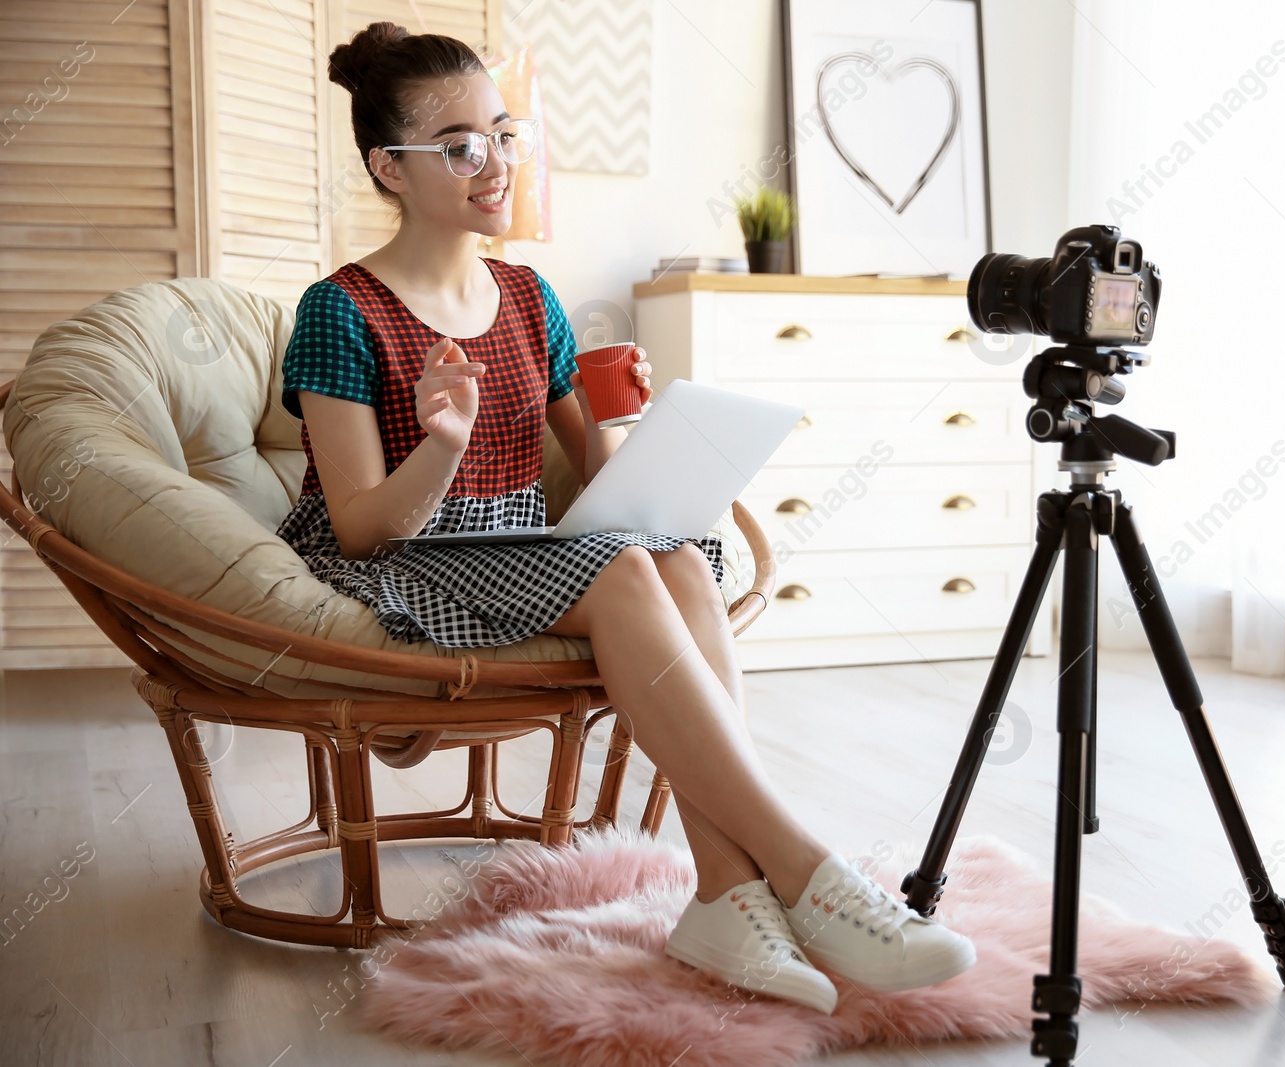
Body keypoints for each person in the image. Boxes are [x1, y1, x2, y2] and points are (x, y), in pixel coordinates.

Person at [278, 21, 976, 1015]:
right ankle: (805, 871)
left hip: (520, 543)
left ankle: (725, 894)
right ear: (391, 167)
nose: (497, 164)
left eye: (504, 134)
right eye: (463, 145)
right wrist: (440, 440)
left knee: (676, 557)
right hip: (405, 557)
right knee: (622, 571)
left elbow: (604, 489)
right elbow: (357, 529)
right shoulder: (338, 311)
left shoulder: (528, 297)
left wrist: (626, 418)